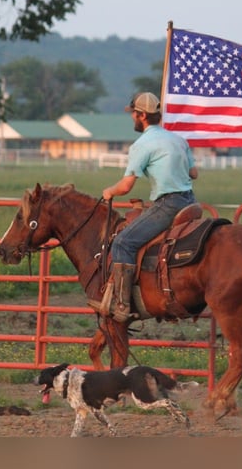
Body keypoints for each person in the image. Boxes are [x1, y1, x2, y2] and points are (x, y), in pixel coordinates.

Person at [91, 91, 199, 322]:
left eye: (133, 114)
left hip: (168, 204)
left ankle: (121, 304)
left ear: (141, 115)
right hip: (190, 201)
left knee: (123, 242)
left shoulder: (142, 144)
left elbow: (127, 186)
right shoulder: (179, 140)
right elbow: (194, 173)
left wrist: (109, 191)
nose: (132, 118)